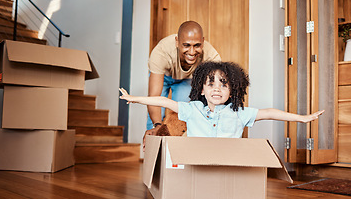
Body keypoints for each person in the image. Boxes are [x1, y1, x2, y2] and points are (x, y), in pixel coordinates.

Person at [120, 61, 324, 138]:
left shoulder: (239, 113)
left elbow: (269, 112)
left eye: (223, 84)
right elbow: (164, 101)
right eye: (211, 83)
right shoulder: (193, 109)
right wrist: (135, 98)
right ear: (201, 89)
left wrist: (301, 118)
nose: (217, 89)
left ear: (232, 90)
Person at [146, 20, 221, 138]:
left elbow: (217, 91)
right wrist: (157, 125)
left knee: (179, 116)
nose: (192, 52)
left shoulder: (211, 56)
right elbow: (154, 97)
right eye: (186, 45)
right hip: (164, 77)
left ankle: (174, 154)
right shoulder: (161, 52)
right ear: (177, 42)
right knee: (154, 125)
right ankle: (153, 153)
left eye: (197, 45)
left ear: (203, 41)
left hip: (187, 80)